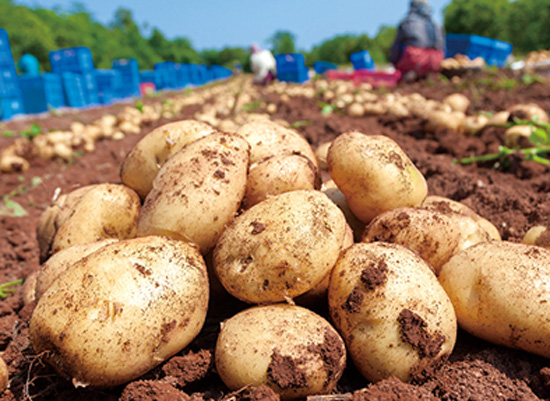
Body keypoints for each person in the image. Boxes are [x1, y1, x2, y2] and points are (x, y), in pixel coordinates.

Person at [390, 0, 445, 80]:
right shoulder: (436, 24)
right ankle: (429, 73)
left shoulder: (407, 21)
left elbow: (397, 46)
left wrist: (393, 62)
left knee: (406, 51)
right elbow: (442, 46)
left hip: (416, 58)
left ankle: (410, 73)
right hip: (436, 60)